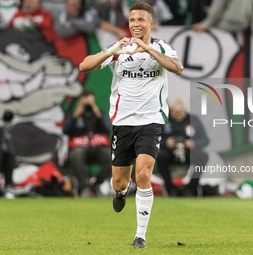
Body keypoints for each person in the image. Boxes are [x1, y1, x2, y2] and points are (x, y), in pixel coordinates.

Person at [79, 2, 183, 248]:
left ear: (151, 23)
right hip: (123, 123)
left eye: (141, 20)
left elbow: (177, 67)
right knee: (120, 181)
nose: (136, 24)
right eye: (132, 20)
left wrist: (149, 50)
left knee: (144, 174)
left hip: (151, 121)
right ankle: (120, 192)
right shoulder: (119, 49)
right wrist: (112, 49)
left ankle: (140, 236)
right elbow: (85, 66)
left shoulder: (160, 47)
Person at [63, 89, 112, 197]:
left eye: (90, 103)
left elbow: (108, 129)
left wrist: (96, 111)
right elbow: (65, 130)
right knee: (76, 154)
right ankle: (83, 187)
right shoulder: (73, 115)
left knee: (110, 155)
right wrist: (76, 114)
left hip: (97, 148)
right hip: (79, 148)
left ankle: (97, 184)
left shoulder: (99, 114)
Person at [156, 98, 209, 196]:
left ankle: (191, 188)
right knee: (159, 155)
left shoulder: (193, 120)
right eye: (175, 112)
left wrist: (193, 143)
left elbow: (205, 140)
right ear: (171, 110)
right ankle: (170, 188)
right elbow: (155, 140)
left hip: (188, 152)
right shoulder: (163, 120)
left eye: (181, 112)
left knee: (203, 156)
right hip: (169, 153)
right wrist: (165, 142)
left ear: (185, 110)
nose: (178, 115)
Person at [54, 0, 127, 39]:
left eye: (77, 4)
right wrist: (82, 25)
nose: (75, 7)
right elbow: (61, 32)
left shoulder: (88, 11)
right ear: (66, 6)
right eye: (72, 5)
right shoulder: (61, 16)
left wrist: (72, 24)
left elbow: (90, 26)